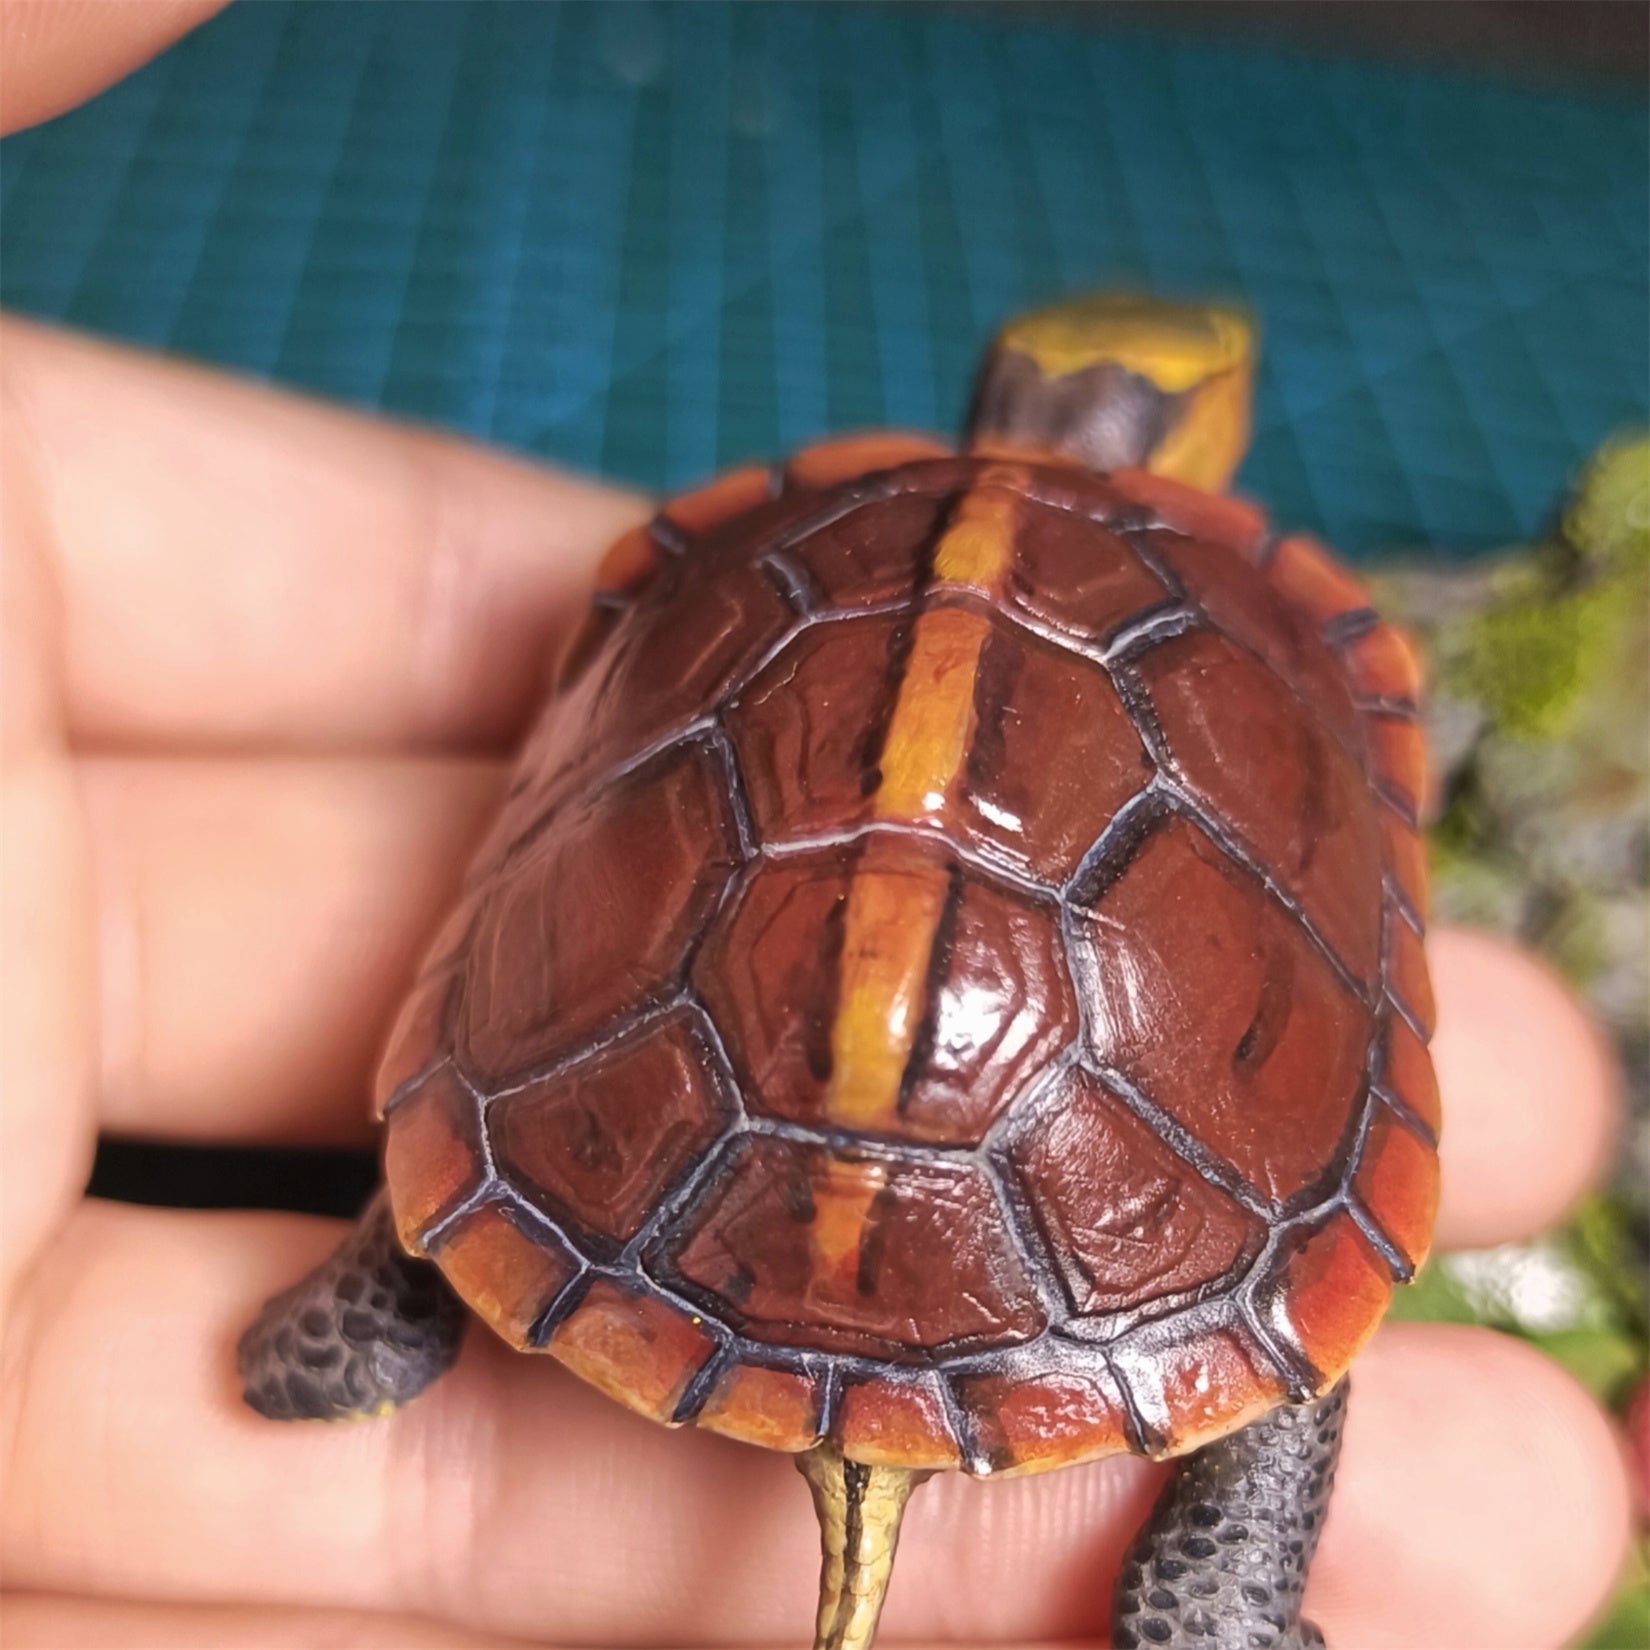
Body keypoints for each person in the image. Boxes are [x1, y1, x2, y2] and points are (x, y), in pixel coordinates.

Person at [0, 6, 1633, 1646]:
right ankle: (1215, 1599)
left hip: (641, 1145)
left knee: (559, 1025)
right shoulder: (1271, 634)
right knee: (1277, 1327)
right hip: (1107, 1232)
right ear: (1199, 433)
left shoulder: (772, 549)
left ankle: (401, 1276)